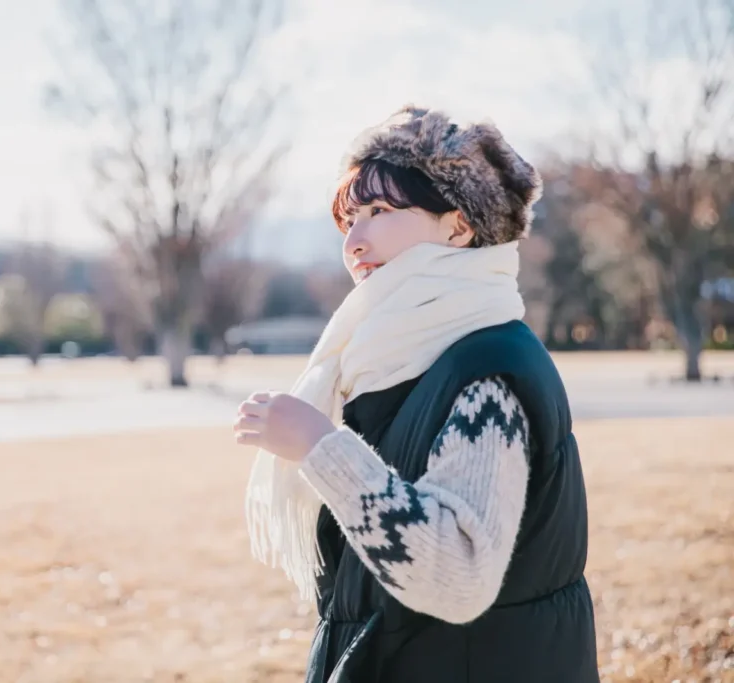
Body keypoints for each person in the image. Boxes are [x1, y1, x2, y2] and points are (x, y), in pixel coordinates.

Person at [234, 105, 599, 683]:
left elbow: (458, 575)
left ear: (458, 226)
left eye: (379, 211)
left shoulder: (488, 373)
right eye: (348, 219)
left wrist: (320, 446)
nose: (354, 240)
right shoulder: (394, 361)